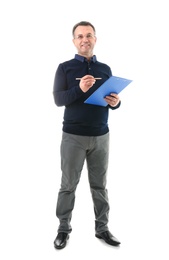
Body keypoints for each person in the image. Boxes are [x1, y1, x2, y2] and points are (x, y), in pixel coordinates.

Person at [53, 21, 121, 249]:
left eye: (89, 35)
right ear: (74, 41)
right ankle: (63, 228)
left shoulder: (105, 69)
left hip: (101, 136)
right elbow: (58, 100)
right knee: (68, 185)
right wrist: (79, 89)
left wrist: (116, 102)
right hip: (73, 136)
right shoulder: (65, 68)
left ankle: (102, 229)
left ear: (95, 39)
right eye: (80, 36)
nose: (85, 39)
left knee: (99, 186)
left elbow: (109, 99)